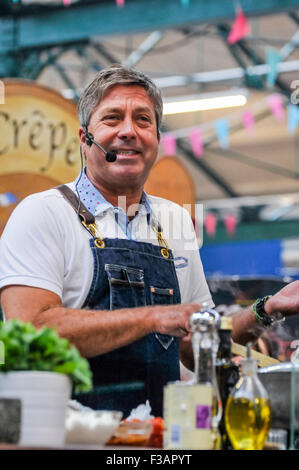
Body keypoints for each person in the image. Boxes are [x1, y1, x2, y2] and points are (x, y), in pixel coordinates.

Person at [1, 65, 299, 418]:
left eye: (142, 120)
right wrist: (153, 316)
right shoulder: (43, 214)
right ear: (84, 138)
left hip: (160, 437)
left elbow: (195, 343)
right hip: (66, 435)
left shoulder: (174, 222)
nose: (128, 131)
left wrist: (266, 309)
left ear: (156, 139)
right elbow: (32, 329)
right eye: (112, 118)